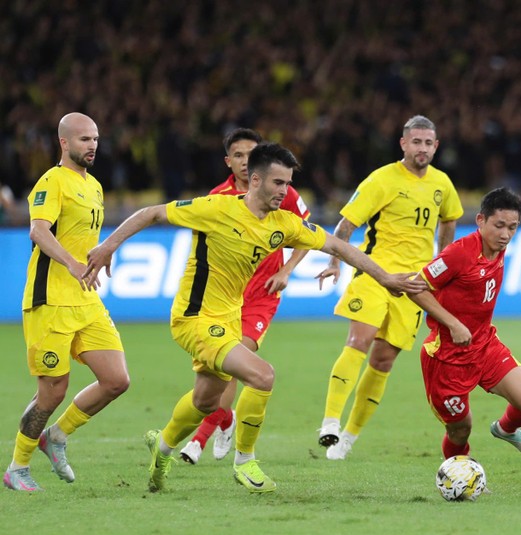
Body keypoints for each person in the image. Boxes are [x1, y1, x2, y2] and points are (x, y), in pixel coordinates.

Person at [83, 142, 426, 494]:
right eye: (278, 183)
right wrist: (109, 245)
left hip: (229, 319)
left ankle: (164, 445)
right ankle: (245, 461)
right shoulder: (216, 208)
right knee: (262, 375)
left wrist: (384, 277)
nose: (284, 191)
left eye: (288, 183)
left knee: (205, 400)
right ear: (256, 179)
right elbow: (152, 213)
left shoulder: (283, 224)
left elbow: (337, 245)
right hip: (194, 317)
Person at [315, 115, 464, 460]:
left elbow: (450, 219)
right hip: (375, 273)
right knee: (359, 341)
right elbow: (346, 225)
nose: (422, 148)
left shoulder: (442, 183)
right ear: (403, 144)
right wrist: (335, 262)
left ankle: (348, 439)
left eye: (428, 143)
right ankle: (330, 422)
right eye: (416, 142)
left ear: (436, 147)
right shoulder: (381, 179)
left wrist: (440, 264)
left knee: (383, 361)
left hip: (414, 285)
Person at [4, 112, 131, 492]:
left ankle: (56, 436)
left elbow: (81, 236)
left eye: (95, 139)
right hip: (50, 301)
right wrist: (72, 264)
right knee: (53, 390)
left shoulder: (94, 186)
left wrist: (98, 256)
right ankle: (17, 468)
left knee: (116, 380)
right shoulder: (52, 181)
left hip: (85, 298)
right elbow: (38, 231)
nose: (92, 146)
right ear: (64, 143)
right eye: (84, 139)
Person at [178, 128, 311, 465]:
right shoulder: (218, 198)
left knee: (238, 357)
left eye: (250, 154)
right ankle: (224, 421)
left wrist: (286, 270)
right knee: (216, 373)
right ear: (228, 161)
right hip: (222, 298)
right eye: (238, 155)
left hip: (261, 295)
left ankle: (199, 440)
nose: (244, 160)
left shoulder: (283, 191)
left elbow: (308, 235)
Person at [406, 187, 521, 461]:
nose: (505, 234)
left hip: (485, 346)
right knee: (460, 429)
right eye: (499, 225)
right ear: (481, 220)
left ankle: (505, 430)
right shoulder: (459, 254)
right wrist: (453, 324)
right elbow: (415, 287)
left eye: (513, 227)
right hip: (447, 357)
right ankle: (459, 473)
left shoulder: (498, 247)